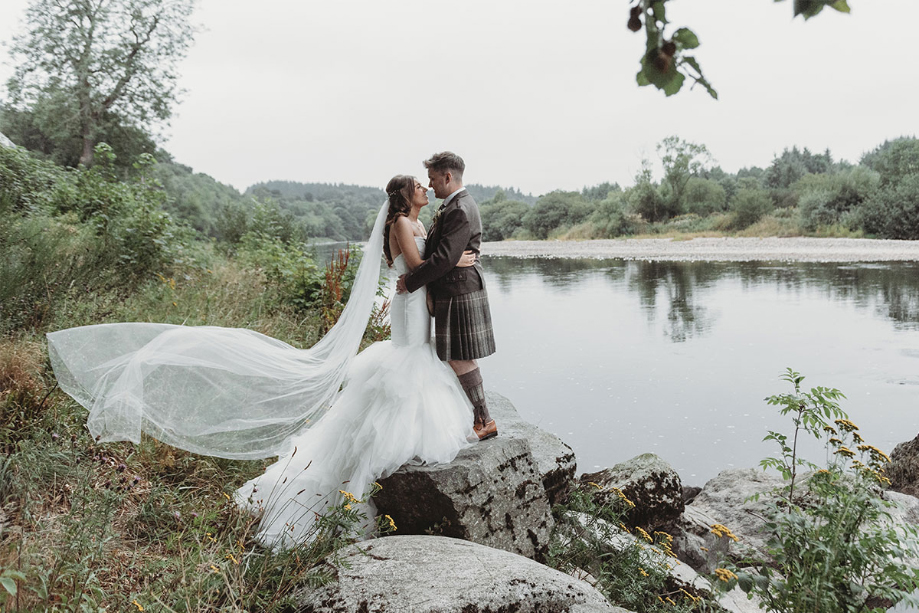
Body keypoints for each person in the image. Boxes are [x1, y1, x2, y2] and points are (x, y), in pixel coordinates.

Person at [46, 173, 484, 549]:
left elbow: (427, 264)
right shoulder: (404, 223)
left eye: (428, 183)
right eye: (418, 185)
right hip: (410, 305)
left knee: (414, 368)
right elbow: (415, 266)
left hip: (418, 299)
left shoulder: (418, 219)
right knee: (405, 368)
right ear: (404, 197)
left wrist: (445, 263)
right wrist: (453, 261)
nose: (426, 188)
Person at [396, 151, 498, 440]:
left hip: (458, 289)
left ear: (447, 177)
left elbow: (442, 259)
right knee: (458, 356)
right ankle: (480, 418)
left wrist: (411, 281)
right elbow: (446, 257)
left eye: (432, 179)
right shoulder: (453, 206)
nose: (430, 185)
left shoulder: (459, 209)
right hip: (455, 286)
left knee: (459, 357)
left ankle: (484, 420)